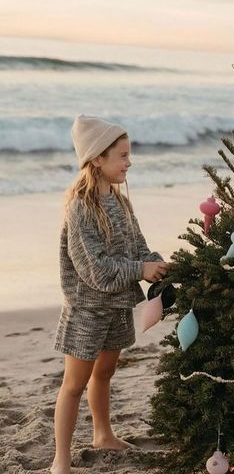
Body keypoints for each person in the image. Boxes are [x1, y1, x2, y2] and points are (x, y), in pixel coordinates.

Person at [51, 115, 168, 474]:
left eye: (129, 155)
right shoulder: (81, 208)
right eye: (122, 155)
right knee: (74, 384)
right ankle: (61, 459)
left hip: (117, 307)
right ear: (97, 159)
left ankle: (102, 434)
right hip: (87, 310)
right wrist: (140, 270)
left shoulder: (121, 203)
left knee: (105, 372)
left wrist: (157, 264)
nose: (129, 162)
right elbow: (97, 271)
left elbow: (138, 248)